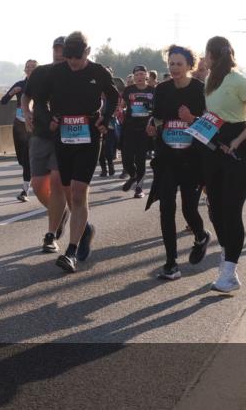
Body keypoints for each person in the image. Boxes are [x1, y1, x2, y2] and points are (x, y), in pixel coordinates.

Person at [189, 36, 246, 294]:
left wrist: (238, 139)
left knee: (232, 211)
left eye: (205, 54)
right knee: (215, 211)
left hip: (238, 151)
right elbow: (214, 115)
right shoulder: (210, 83)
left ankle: (229, 270)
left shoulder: (237, 79)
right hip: (212, 148)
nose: (203, 59)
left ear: (213, 55)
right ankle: (226, 256)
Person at [38, 32, 119, 273]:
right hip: (63, 136)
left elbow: (114, 96)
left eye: (77, 57)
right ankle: (85, 231)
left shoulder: (98, 72)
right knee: (65, 190)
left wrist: (106, 117)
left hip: (89, 135)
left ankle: (71, 252)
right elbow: (39, 100)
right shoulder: (56, 72)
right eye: (69, 57)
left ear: (88, 52)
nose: (73, 62)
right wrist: (48, 118)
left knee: (78, 191)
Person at [144, 46, 210, 280]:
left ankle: (201, 235)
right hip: (167, 158)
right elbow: (157, 117)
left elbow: (211, 127)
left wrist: (191, 119)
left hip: (193, 159)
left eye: (179, 64)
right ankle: (171, 263)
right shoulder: (161, 89)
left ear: (189, 66)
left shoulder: (201, 90)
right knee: (166, 208)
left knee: (189, 209)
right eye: (171, 64)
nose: (174, 68)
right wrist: (152, 127)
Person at [22, 37, 71, 253]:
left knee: (57, 181)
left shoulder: (75, 75)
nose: (59, 53)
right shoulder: (40, 72)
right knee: (38, 185)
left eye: (63, 49)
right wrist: (26, 111)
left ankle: (50, 235)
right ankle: (60, 212)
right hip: (40, 134)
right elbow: (26, 95)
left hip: (64, 136)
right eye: (56, 49)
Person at [0, 59, 38, 201]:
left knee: (27, 158)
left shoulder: (41, 85)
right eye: (27, 67)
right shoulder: (20, 84)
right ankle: (32, 175)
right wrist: (11, 93)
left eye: (33, 67)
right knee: (21, 159)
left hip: (33, 125)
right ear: (24, 70)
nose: (30, 69)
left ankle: (25, 190)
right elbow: (3, 101)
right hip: (18, 125)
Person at [119, 65, 155, 199]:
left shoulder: (153, 91)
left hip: (144, 129)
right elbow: (122, 106)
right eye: (137, 75)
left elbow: (158, 108)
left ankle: (139, 188)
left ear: (146, 75)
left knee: (140, 159)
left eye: (141, 74)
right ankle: (133, 175)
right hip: (129, 128)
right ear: (134, 77)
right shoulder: (129, 90)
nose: (139, 77)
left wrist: (150, 108)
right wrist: (121, 111)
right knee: (127, 158)